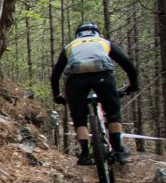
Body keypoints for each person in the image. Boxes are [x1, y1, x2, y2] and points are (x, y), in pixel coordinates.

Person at [51, 23, 139, 165]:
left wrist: (57, 95)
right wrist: (133, 84)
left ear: (77, 35)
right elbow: (127, 64)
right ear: (96, 33)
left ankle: (85, 154)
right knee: (113, 113)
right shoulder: (104, 42)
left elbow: (55, 75)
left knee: (79, 118)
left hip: (76, 80)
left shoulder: (70, 46)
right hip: (103, 76)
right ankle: (118, 150)